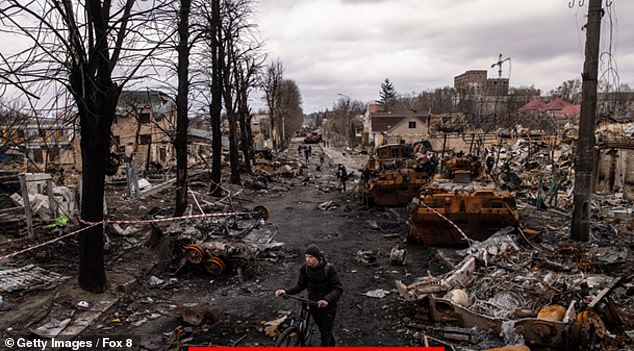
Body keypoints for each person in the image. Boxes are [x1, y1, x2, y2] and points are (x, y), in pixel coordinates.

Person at [275, 244, 343, 346]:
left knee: (325, 336)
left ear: (317, 257)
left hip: (328, 309)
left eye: (310, 257)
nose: (308, 259)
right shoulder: (305, 269)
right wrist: (286, 291)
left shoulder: (329, 269)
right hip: (313, 305)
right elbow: (300, 286)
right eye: (306, 256)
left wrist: (326, 300)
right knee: (323, 330)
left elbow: (338, 289)